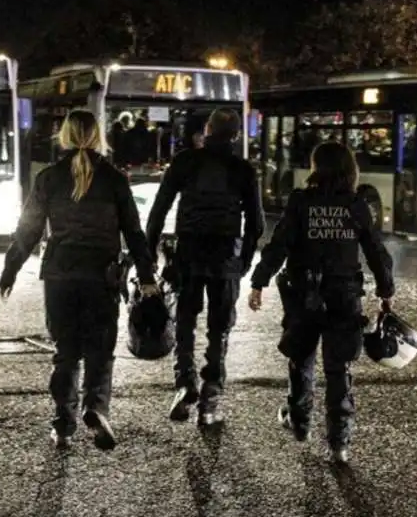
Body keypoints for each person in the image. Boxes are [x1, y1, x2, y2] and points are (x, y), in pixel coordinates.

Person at [0, 109, 158, 449]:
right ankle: (96, 407)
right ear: (98, 136)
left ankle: (63, 423)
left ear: (65, 136)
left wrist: (10, 270)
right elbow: (133, 231)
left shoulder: (50, 178)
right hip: (102, 276)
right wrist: (147, 276)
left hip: (60, 275)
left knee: (65, 351)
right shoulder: (114, 179)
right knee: (100, 350)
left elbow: (28, 230)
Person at [247, 141, 394, 463]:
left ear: (316, 168)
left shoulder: (301, 201)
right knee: (339, 367)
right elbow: (375, 250)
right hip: (343, 295)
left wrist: (259, 281)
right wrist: (386, 290)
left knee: (301, 357)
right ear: (349, 170)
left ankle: (299, 421)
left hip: (303, 292)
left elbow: (279, 244)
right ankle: (339, 443)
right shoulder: (356, 204)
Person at [146, 108, 265, 427]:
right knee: (219, 330)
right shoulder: (242, 169)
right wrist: (245, 261)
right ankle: (210, 402)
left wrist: (148, 255)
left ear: (208, 130)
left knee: (185, 323)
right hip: (226, 255)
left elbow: (158, 211)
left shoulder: (185, 162)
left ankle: (184, 383)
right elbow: (256, 222)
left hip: (189, 252)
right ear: (237, 135)